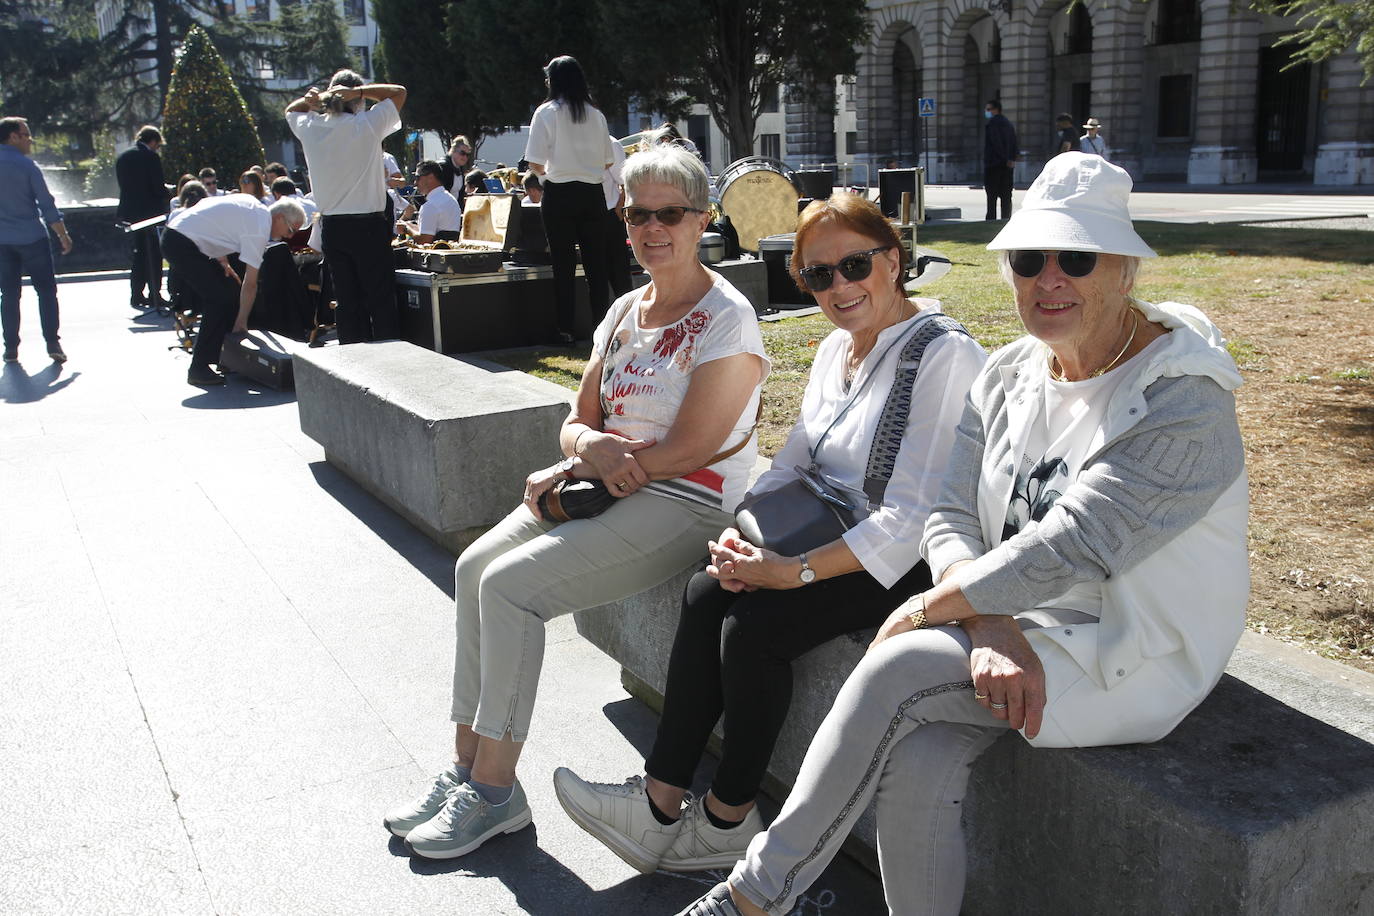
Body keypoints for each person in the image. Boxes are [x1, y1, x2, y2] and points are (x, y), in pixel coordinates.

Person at [674, 153, 1250, 916]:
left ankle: (752, 895)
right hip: (1018, 617)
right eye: (1027, 258)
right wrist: (984, 618)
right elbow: (949, 513)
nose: (1049, 278)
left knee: (894, 668)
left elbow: (1078, 543)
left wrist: (927, 609)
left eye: (1077, 257)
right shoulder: (1010, 372)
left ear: (1127, 271)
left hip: (1126, 646)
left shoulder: (1183, 401)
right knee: (917, 759)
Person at [553, 193, 987, 875]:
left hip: (908, 557)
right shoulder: (836, 351)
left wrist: (793, 572)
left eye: (854, 265)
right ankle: (661, 801)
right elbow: (793, 462)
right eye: (818, 275)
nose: (839, 286)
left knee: (753, 628)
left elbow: (912, 519)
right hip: (826, 524)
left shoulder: (941, 355)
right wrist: (743, 533)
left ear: (894, 260)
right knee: (706, 590)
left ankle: (728, 817)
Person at [382, 143, 771, 861]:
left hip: (688, 501)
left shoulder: (728, 318)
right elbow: (575, 419)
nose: (651, 228)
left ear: (703, 219)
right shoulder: (625, 310)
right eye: (636, 213)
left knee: (510, 588)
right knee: (473, 567)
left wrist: (603, 462)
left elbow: (693, 448)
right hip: (603, 487)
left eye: (670, 214)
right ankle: (466, 766)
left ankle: (495, 793)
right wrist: (587, 451)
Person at [286, 69, 406, 344]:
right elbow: (399, 92)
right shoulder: (367, 124)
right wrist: (360, 92)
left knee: (347, 301)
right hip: (368, 225)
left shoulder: (311, 127)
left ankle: (354, 362)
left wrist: (317, 100)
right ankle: (393, 360)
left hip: (334, 226)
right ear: (357, 101)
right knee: (380, 298)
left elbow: (291, 110)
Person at [163, 194, 306, 386]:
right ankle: (199, 367)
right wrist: (242, 321)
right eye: (290, 230)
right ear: (279, 217)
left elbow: (215, 219)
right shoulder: (259, 228)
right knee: (219, 299)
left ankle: (226, 357)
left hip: (180, 235)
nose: (288, 237)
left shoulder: (253, 207)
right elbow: (251, 283)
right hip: (183, 242)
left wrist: (222, 260)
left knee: (230, 289)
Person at [523, 55, 616, 346]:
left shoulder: (546, 112)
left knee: (562, 265)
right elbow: (606, 162)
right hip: (592, 193)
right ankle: (601, 329)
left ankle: (564, 329)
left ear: (555, 80)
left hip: (559, 193)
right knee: (596, 265)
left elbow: (535, 162)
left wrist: (550, 172)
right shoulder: (597, 115)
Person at [0, 116, 72, 364]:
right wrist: (62, 234)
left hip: (2, 241)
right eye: (26, 135)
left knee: (8, 294)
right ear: (13, 137)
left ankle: (10, 348)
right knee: (46, 292)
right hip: (32, 238)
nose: (30, 140)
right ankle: (52, 342)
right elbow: (46, 204)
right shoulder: (28, 166)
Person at [116, 125, 168, 310]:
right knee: (153, 255)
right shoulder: (151, 157)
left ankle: (136, 294)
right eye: (158, 145)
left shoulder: (123, 157)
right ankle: (155, 294)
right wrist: (168, 194)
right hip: (150, 214)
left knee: (138, 255)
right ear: (153, 141)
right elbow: (157, 187)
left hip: (130, 214)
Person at [395, 159, 461, 244]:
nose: (415, 183)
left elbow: (424, 240)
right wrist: (410, 226)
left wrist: (406, 229)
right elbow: (436, 231)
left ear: (431, 177)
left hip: (434, 255)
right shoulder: (452, 200)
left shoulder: (430, 206)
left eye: (417, 177)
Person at [602, 135, 631, 299]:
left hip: (609, 214)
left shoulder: (611, 143)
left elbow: (625, 181)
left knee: (619, 275)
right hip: (583, 214)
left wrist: (619, 208)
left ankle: (626, 317)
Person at [983, 100, 1018, 221]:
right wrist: (1011, 159)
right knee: (1006, 195)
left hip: (994, 164)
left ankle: (991, 219)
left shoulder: (993, 123)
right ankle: (1006, 218)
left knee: (992, 196)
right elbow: (1014, 143)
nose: (987, 112)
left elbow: (995, 142)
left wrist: (1003, 158)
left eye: (988, 109)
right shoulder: (1008, 123)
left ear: (995, 110)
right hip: (1008, 165)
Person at [439, 135, 472, 209]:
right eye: (462, 153)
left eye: (467, 155)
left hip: (453, 210)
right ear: (453, 151)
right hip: (441, 211)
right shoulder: (442, 167)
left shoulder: (459, 168)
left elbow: (460, 196)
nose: (465, 157)